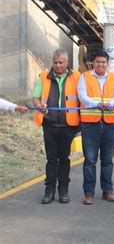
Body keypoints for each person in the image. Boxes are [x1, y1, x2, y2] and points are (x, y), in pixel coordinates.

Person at [32, 49, 80, 204]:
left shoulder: (76, 77)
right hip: (50, 124)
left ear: (67, 62)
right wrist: (39, 106)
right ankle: (49, 191)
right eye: (55, 62)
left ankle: (63, 191)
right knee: (51, 159)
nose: (58, 65)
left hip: (68, 125)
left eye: (61, 62)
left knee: (64, 159)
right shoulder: (44, 77)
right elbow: (36, 97)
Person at [78, 50, 114, 205]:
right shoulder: (85, 77)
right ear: (93, 63)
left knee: (107, 160)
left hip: (109, 124)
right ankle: (89, 194)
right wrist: (97, 104)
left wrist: (111, 104)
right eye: (98, 62)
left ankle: (107, 191)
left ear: (107, 64)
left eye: (103, 62)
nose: (101, 64)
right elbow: (82, 96)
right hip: (90, 124)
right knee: (90, 160)